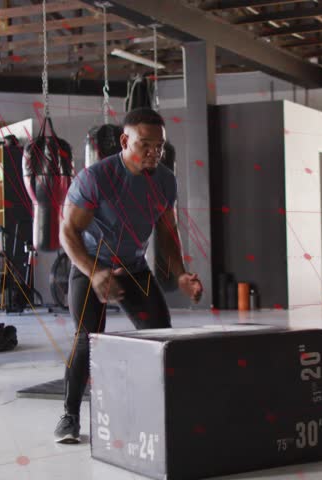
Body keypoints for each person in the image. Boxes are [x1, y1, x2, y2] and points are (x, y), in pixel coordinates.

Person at [54, 108, 203, 444]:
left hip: (134, 268)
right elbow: (67, 233)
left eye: (159, 147)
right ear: (125, 140)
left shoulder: (165, 181)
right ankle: (69, 417)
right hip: (90, 266)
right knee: (85, 341)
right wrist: (94, 274)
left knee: (162, 339)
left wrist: (180, 274)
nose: (154, 153)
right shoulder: (96, 178)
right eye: (145, 145)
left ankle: (163, 413)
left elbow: (167, 232)